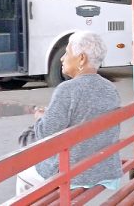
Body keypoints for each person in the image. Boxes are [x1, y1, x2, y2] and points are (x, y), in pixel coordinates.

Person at [16, 32, 122, 195]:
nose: (62, 58)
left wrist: (40, 118)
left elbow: (45, 135)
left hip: (76, 174)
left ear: (81, 59)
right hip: (105, 169)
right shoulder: (110, 89)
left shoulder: (67, 89)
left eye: (67, 53)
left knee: (24, 175)